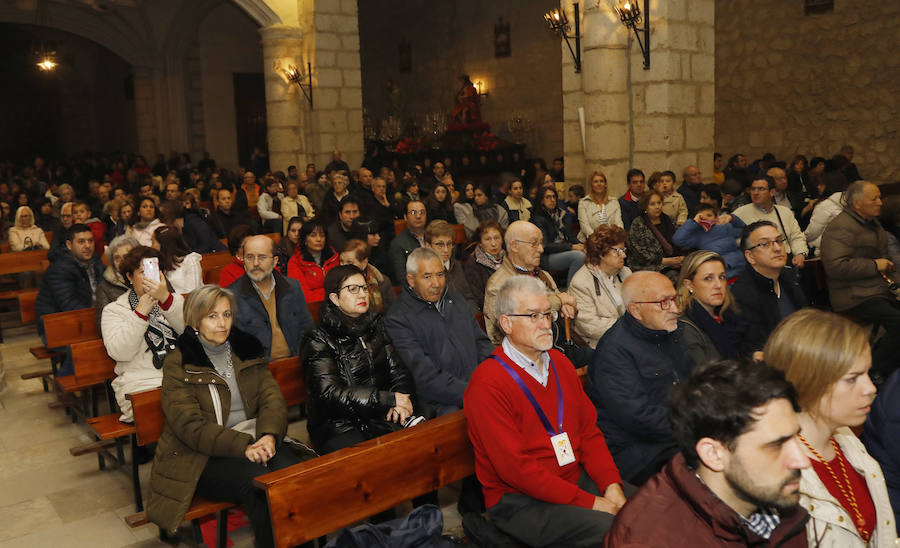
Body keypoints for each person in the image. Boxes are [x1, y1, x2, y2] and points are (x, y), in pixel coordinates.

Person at [464, 275, 628, 547]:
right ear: (506, 323)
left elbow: (589, 433)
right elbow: (516, 470)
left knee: (644, 507)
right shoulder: (487, 383)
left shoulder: (561, 364)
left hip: (571, 478)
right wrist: (592, 503)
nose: (545, 324)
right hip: (519, 501)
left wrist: (611, 485)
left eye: (547, 314)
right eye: (532, 316)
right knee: (613, 530)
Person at [146, 285, 300, 548]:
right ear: (195, 321)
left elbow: (271, 399)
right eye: (212, 316)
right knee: (260, 488)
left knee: (292, 477)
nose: (222, 323)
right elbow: (190, 427)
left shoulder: (246, 349)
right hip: (201, 455)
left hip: (256, 439)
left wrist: (269, 435)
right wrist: (245, 446)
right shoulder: (179, 362)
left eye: (227, 314)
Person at [604, 359, 811, 547]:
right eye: (776, 445)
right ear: (713, 454)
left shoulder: (772, 498)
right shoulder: (646, 541)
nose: (802, 460)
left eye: (796, 438)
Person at [766, 309, 895, 547]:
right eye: (852, 378)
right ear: (809, 382)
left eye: (867, 374)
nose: (871, 388)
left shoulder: (847, 441)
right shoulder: (777, 476)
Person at [587, 271, 693, 484]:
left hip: (676, 432)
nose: (675, 308)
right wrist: (697, 425)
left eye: (675, 299)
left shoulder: (670, 331)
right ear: (636, 310)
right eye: (664, 302)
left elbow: (694, 381)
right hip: (640, 451)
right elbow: (640, 419)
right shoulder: (614, 352)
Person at [301, 265, 418, 453]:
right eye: (353, 289)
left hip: (379, 413)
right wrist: (388, 399)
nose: (362, 294)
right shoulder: (317, 338)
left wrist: (400, 401)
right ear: (334, 298)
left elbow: (398, 370)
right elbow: (330, 394)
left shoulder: (375, 324)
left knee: (422, 441)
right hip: (339, 425)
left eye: (364, 288)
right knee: (375, 459)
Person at [385, 248, 493, 415]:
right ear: (411, 280)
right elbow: (426, 377)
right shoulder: (398, 318)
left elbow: (482, 344)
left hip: (479, 388)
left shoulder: (456, 300)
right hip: (441, 403)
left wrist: (487, 383)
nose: (436, 283)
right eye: (427, 277)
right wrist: (474, 392)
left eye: (440, 274)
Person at [821, 180, 900, 381]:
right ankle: (874, 372)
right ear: (857, 203)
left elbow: (887, 263)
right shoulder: (841, 227)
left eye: (880, 197)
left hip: (876, 290)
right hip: (853, 295)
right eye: (874, 198)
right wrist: (875, 265)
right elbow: (836, 267)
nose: (880, 202)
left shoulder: (873, 224)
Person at [101, 246, 185, 422]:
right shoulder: (114, 310)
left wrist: (166, 300)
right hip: (141, 382)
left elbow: (192, 334)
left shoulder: (173, 301)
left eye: (154, 270)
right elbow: (120, 352)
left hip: (179, 375)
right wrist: (140, 313)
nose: (149, 277)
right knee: (177, 406)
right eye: (142, 272)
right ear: (130, 277)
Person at [483, 221, 578, 345]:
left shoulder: (543, 274)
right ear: (515, 246)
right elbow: (501, 334)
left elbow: (566, 306)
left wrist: (567, 307)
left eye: (541, 243)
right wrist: (559, 301)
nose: (541, 249)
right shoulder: (498, 286)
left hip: (557, 342)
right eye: (534, 243)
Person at [35, 224, 104, 375]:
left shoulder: (96, 263)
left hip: (86, 322)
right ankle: (62, 384)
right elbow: (70, 305)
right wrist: (101, 319)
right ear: (69, 244)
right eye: (81, 242)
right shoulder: (59, 269)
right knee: (87, 347)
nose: (87, 246)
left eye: (90, 241)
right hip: (56, 328)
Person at [732, 221, 807, 355]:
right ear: (750, 256)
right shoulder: (743, 294)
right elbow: (757, 347)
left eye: (779, 240)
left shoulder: (789, 277)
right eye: (765, 244)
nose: (777, 248)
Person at [232, 235, 313, 359]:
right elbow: (238, 347)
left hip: (296, 361)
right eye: (249, 257)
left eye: (262, 257)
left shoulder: (292, 287)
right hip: (259, 370)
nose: (255, 263)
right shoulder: (232, 295)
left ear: (275, 261)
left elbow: (307, 328)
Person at [676, 251, 746, 366]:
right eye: (708, 278)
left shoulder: (728, 314)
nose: (718, 285)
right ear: (689, 285)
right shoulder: (685, 328)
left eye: (722, 277)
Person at [568, 225, 631, 348]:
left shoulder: (625, 273)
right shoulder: (580, 282)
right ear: (601, 253)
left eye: (624, 250)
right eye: (618, 251)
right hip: (600, 344)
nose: (624, 256)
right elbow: (590, 326)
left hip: (627, 338)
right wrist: (631, 328)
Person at [733, 175, 808, 269]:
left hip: (786, 261)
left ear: (772, 192)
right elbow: (735, 243)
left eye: (761, 189)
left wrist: (800, 254)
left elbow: (796, 236)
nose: (756, 193)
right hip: (758, 265)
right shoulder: (739, 214)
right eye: (753, 189)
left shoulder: (784, 212)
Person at [672, 203, 747, 279]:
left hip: (740, 262)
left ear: (716, 217)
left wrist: (732, 218)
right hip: (719, 268)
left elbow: (746, 230)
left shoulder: (725, 227)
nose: (706, 219)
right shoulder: (698, 235)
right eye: (701, 217)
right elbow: (678, 240)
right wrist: (693, 223)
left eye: (709, 215)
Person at [531, 186, 586, 285]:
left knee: (588, 252)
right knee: (579, 256)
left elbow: (570, 235)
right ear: (541, 200)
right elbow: (545, 246)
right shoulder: (538, 218)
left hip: (561, 249)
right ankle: (572, 290)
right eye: (548, 197)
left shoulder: (558, 214)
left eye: (554, 197)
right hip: (545, 256)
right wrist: (571, 247)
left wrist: (581, 245)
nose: (552, 200)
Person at [627, 190, 684, 282]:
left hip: (672, 262)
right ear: (645, 207)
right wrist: (665, 261)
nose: (657, 207)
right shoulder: (638, 223)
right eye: (652, 204)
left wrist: (680, 258)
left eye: (659, 203)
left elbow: (679, 241)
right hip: (647, 265)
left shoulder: (668, 219)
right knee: (674, 276)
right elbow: (638, 253)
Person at [423, 219, 478, 312]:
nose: (446, 250)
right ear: (428, 246)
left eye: (449, 244)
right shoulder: (424, 272)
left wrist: (470, 316)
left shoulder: (456, 265)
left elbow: (469, 297)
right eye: (440, 245)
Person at [94, 234, 138, 336]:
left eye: (127, 257)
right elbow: (103, 327)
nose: (123, 262)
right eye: (117, 258)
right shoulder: (104, 287)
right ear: (112, 262)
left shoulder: (151, 276)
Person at [287, 219, 339, 303]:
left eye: (322, 235)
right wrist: (331, 295)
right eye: (313, 235)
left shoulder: (334, 257)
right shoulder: (295, 262)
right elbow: (302, 295)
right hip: (311, 308)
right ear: (304, 240)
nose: (318, 239)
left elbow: (342, 286)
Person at [339, 239, 395, 314]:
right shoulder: (336, 283)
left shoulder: (382, 282)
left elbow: (393, 311)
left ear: (364, 263)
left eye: (349, 262)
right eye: (341, 261)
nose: (343, 266)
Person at [463, 220, 505, 313]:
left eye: (497, 238)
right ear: (480, 243)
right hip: (490, 310)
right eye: (488, 239)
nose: (493, 243)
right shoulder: (473, 263)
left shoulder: (509, 259)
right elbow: (478, 297)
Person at [150, 225, 202, 294]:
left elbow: (193, 292)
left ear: (163, 245)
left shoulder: (190, 260)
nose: (151, 246)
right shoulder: (159, 263)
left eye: (153, 242)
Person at [578, 171, 623, 242]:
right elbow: (584, 227)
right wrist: (597, 240)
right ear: (591, 185)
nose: (599, 184)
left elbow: (619, 223)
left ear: (605, 184)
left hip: (611, 240)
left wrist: (617, 236)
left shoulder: (614, 202)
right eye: (595, 182)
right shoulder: (583, 202)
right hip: (589, 241)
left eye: (601, 181)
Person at [388, 199, 427, 281]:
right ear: (405, 217)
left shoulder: (433, 237)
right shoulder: (398, 244)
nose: (418, 216)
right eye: (413, 213)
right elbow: (401, 278)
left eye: (422, 212)